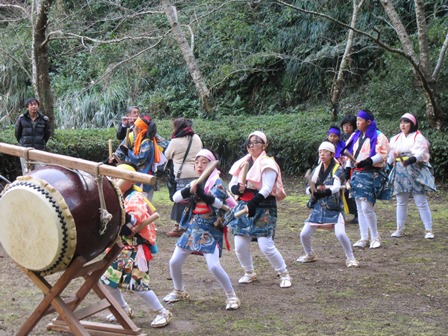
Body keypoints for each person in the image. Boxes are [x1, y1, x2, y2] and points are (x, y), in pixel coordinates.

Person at [163, 149, 240, 310]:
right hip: (193, 226)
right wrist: (188, 190)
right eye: (197, 162)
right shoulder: (195, 182)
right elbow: (176, 198)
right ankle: (179, 291)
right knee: (174, 262)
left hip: (210, 228)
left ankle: (232, 296)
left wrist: (202, 195)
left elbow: (219, 203)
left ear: (211, 164)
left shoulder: (217, 182)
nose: (199, 165)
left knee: (213, 266)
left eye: (204, 162)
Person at [100, 163, 172, 328]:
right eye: (114, 176)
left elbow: (133, 221)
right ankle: (123, 308)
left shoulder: (136, 197)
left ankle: (163, 312)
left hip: (134, 248)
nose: (115, 180)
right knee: (107, 281)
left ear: (131, 181)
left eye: (120, 177)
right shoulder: (115, 195)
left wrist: (119, 219)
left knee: (137, 284)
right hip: (119, 248)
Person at [227, 131, 291, 288]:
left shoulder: (268, 164)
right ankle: (249, 272)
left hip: (263, 206)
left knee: (265, 245)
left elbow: (267, 188)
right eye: (249, 142)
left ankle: (284, 273)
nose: (252, 145)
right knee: (240, 245)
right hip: (243, 205)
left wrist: (253, 203)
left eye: (256, 142)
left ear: (264, 145)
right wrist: (238, 189)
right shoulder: (243, 163)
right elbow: (232, 183)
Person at [297, 142, 359, 268]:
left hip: (334, 208)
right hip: (319, 208)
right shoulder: (317, 169)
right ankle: (310, 254)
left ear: (331, 154)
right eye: (320, 152)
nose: (322, 154)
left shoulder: (338, 169)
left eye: (325, 152)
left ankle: (351, 258)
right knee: (303, 234)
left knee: (340, 234)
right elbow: (308, 187)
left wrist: (324, 192)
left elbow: (336, 187)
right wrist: (312, 191)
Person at [343, 109, 390, 249]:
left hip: (371, 173)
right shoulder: (355, 136)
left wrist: (367, 161)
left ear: (368, 122)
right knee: (359, 206)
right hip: (357, 173)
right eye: (357, 120)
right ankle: (364, 237)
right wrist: (347, 171)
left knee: (366, 206)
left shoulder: (379, 136)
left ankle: (375, 237)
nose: (357, 123)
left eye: (360, 120)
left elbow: (382, 154)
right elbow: (348, 155)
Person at [387, 113, 436, 239]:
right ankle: (399, 228)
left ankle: (428, 229)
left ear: (412, 124)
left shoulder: (418, 137)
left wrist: (409, 160)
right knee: (401, 201)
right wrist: (387, 164)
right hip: (400, 170)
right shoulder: (396, 138)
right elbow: (391, 155)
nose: (403, 125)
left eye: (406, 122)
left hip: (415, 170)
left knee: (421, 201)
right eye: (401, 122)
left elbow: (420, 153)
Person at [164, 118, 203, 237]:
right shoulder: (196, 138)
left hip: (182, 175)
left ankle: (179, 227)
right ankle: (195, 224)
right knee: (196, 200)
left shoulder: (175, 141)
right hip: (197, 173)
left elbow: (167, 155)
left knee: (181, 200)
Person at [115, 115, 161, 200]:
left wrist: (127, 152)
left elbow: (140, 159)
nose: (133, 129)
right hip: (138, 176)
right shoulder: (141, 140)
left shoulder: (147, 142)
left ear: (140, 129)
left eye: (135, 127)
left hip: (143, 178)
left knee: (140, 203)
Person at [15, 97, 51, 173]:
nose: (34, 106)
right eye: (31, 105)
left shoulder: (44, 119)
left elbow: (47, 134)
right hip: (25, 151)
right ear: (27, 107)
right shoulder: (21, 119)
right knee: (27, 174)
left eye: (35, 104)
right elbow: (17, 133)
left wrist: (42, 142)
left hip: (39, 150)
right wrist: (23, 142)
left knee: (39, 173)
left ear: (38, 106)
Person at [340, 115, 358, 224]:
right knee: (343, 191)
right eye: (345, 125)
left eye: (349, 125)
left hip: (352, 166)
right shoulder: (340, 137)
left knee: (351, 189)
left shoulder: (356, 137)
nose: (346, 127)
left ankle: (356, 213)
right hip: (340, 167)